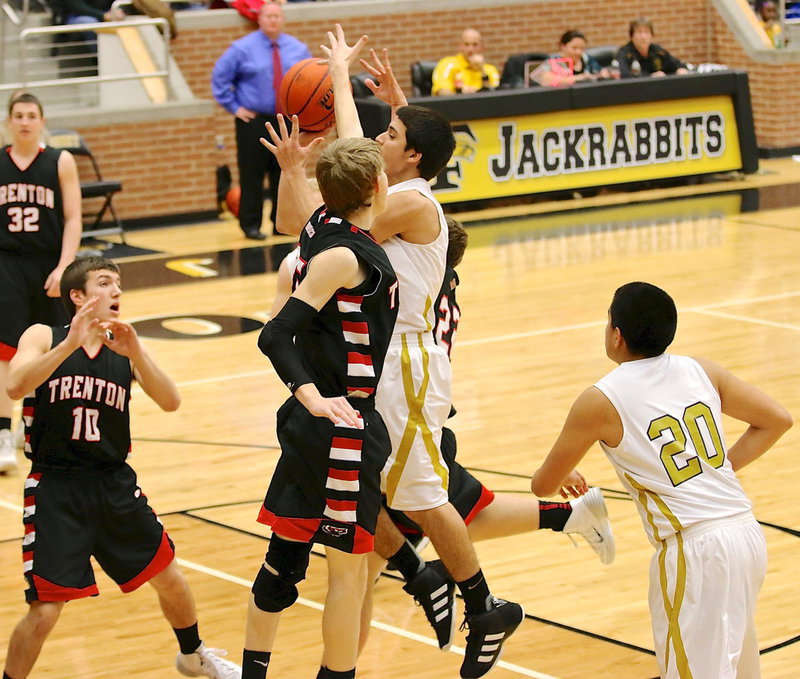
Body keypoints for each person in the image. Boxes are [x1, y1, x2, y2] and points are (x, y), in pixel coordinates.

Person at [265, 27, 523, 678]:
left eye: (392, 134)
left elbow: (344, 206)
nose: (380, 137)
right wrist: (350, 82)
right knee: (364, 491)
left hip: (405, 363)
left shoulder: (407, 202)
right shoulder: (399, 186)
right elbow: (354, 175)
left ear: (409, 157)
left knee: (422, 496)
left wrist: (315, 148)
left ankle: (483, 605)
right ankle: (417, 574)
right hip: (374, 358)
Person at [357, 216, 614, 654]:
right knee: (425, 527)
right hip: (412, 412)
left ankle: (440, 590)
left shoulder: (410, 285)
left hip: (407, 416)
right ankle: (564, 519)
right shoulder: (438, 281)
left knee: (388, 546)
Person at [531, 281, 792, 679]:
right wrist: (716, 469)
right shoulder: (701, 370)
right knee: (739, 669)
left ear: (617, 336)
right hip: (745, 534)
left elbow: (543, 485)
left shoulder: (600, 399)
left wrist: (564, 472)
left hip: (695, 550)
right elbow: (777, 420)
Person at [1, 256, 241, 679]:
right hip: (57, 487)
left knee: (170, 577)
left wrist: (138, 354)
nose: (117, 291)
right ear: (78, 296)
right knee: (45, 610)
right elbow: (16, 385)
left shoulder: (124, 346)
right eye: (105, 282)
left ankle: (193, 655)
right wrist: (69, 345)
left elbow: (171, 401)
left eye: (118, 284)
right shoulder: (43, 335)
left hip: (113, 483)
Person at [243, 131, 397, 679]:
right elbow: (274, 334)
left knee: (282, 563)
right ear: (376, 185)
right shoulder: (345, 255)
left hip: (318, 428)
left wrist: (293, 169)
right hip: (342, 425)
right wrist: (311, 395)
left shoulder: (321, 227)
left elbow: (307, 208)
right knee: (348, 577)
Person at [0, 92, 82, 474]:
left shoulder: (59, 160)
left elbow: (73, 218)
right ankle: (3, 432)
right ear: (9, 122)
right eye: (18, 115)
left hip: (49, 263)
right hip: (7, 263)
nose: (25, 122)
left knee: (49, 347)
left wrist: (65, 267)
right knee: (6, 351)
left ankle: (31, 426)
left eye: (31, 115)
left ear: (42, 120)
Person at [211, 0, 311, 240]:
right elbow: (220, 78)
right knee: (251, 173)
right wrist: (234, 107)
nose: (273, 20)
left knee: (284, 173)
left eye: (277, 16)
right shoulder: (242, 48)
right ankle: (250, 225)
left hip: (286, 121)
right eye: (268, 16)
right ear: (260, 19)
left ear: (282, 19)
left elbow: (310, 79)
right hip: (253, 121)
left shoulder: (298, 48)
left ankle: (280, 223)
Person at [431, 28, 500, 95]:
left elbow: (495, 95)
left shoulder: (490, 70)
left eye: (475, 44)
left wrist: (482, 70)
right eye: (466, 44)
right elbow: (442, 92)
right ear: (460, 45)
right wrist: (461, 93)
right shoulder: (447, 64)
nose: (470, 49)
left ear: (481, 46)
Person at [534, 30, 612, 87]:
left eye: (582, 48)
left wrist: (603, 74)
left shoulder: (586, 58)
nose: (578, 52)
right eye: (574, 48)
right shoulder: (553, 61)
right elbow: (545, 79)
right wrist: (579, 78)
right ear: (563, 46)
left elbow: (600, 71)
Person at [616, 18, 688, 78]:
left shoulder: (658, 51)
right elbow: (624, 74)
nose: (643, 37)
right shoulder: (624, 53)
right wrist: (650, 76)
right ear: (631, 36)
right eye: (639, 32)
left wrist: (680, 69)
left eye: (646, 32)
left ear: (652, 36)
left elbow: (676, 64)